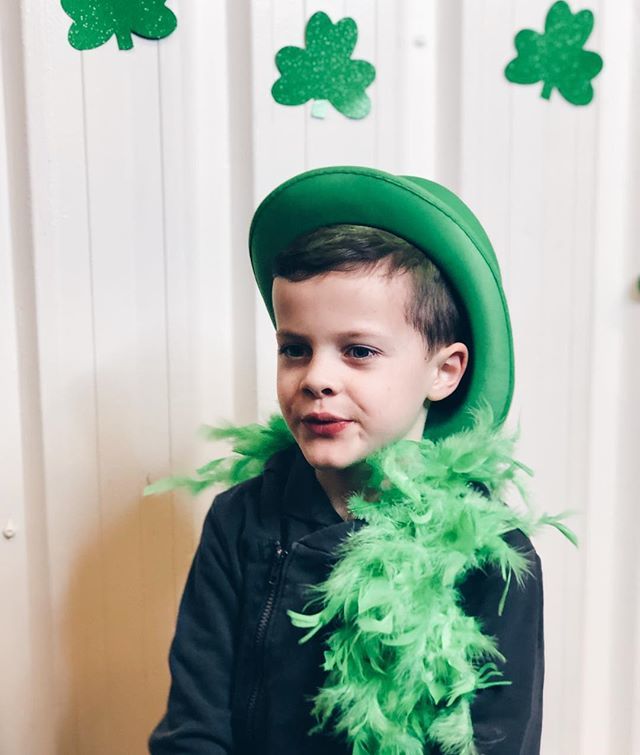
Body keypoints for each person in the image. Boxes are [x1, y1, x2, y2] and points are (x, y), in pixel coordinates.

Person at [147, 166, 565, 754]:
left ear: (444, 371)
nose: (316, 377)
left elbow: (498, 739)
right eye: (295, 349)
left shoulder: (489, 553)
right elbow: (195, 725)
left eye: (359, 351)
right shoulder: (241, 522)